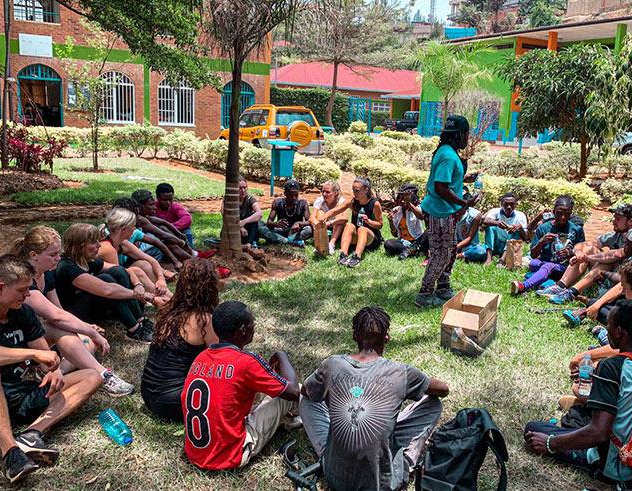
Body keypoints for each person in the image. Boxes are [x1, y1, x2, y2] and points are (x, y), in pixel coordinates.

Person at [0, 255, 102, 483]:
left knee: (91, 376)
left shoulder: (22, 313)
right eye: (22, 289)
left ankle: (31, 434)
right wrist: (31, 354)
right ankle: (11, 454)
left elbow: (45, 358)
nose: (28, 295)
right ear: (0, 288)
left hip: (16, 395)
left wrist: (54, 371)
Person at [524, 299, 632, 488]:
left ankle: (594, 458)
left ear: (619, 332)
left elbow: (598, 433)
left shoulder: (612, 367)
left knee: (535, 429)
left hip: (617, 464)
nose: (606, 330)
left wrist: (550, 443)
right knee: (583, 417)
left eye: (609, 326)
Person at [300, 307, 449, 491]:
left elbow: (307, 391)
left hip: (334, 476)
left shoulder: (331, 364)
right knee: (433, 404)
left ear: (355, 336)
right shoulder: (402, 372)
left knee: (306, 400)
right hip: (382, 485)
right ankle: (405, 461)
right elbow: (443, 390)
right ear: (387, 338)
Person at [11, 226, 134, 397]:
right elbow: (56, 316)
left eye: (58, 253)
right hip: (14, 339)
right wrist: (88, 329)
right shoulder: (24, 282)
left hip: (34, 334)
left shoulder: (47, 275)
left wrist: (86, 328)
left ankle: (52, 373)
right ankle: (103, 375)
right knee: (64, 330)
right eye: (53, 255)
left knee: (87, 341)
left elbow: (59, 310)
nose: (58, 258)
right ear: (34, 256)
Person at [182, 301, 300, 470]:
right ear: (244, 329)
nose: (254, 327)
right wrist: (282, 356)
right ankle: (320, 423)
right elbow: (293, 391)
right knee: (292, 393)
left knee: (253, 390)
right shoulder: (246, 362)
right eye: (253, 324)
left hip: (195, 453)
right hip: (231, 456)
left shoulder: (200, 358)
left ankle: (288, 420)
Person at [141, 259, 220, 422]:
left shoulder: (169, 310)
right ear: (209, 286)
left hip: (148, 393)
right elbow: (219, 364)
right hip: (173, 401)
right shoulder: (204, 320)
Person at [415, 115, 480, 308]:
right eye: (467, 134)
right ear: (459, 135)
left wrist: (463, 179)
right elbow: (441, 187)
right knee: (441, 253)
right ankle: (425, 293)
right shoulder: (449, 156)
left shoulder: (445, 151)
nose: (467, 138)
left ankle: (443, 287)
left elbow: (446, 180)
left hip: (443, 210)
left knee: (451, 250)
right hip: (439, 212)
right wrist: (464, 203)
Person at [55, 223, 155, 343]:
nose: (99, 245)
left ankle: (140, 320)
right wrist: (139, 294)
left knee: (118, 271)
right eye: (93, 242)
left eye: (98, 241)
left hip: (91, 307)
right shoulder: (66, 267)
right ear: (79, 246)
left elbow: (124, 270)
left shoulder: (86, 261)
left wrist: (138, 285)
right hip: (74, 314)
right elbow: (107, 290)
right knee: (105, 279)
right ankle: (134, 330)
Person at [539, 204, 632, 299]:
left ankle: (572, 293)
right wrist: (578, 252)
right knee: (587, 249)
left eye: (618, 219)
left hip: (624, 282)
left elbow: (618, 254)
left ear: (630, 221)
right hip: (609, 277)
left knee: (607, 261)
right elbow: (585, 244)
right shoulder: (616, 236)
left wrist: (587, 258)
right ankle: (560, 286)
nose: (613, 221)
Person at [543, 227, 632, 305]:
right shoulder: (630, 251)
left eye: (627, 244)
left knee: (606, 264)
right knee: (600, 258)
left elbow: (622, 282)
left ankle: (572, 292)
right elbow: (610, 254)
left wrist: (604, 273)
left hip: (621, 295)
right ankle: (564, 288)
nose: (625, 246)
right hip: (613, 286)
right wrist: (584, 256)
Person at [510, 195, 585, 295]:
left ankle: (524, 285)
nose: (563, 217)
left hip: (565, 267)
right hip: (545, 262)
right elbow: (533, 255)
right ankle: (547, 284)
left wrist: (570, 253)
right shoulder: (544, 228)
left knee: (548, 266)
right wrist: (541, 242)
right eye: (559, 213)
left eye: (567, 214)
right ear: (553, 212)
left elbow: (582, 252)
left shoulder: (576, 229)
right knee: (534, 263)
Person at [98, 208, 172, 307]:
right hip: (103, 288)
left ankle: (171, 299)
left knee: (144, 264)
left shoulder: (122, 243)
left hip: (116, 282)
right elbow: (120, 276)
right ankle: (168, 302)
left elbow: (151, 260)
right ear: (124, 229)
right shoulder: (107, 248)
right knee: (136, 270)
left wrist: (161, 278)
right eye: (133, 226)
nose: (135, 229)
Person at [322, 178, 384, 268]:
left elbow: (380, 224)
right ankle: (343, 255)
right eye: (353, 190)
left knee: (362, 229)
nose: (354, 193)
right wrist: (325, 217)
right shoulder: (352, 202)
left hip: (372, 239)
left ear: (366, 190)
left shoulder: (375, 204)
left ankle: (357, 257)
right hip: (357, 237)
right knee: (349, 226)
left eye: (357, 191)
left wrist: (368, 221)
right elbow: (335, 211)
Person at [112, 197, 186, 273]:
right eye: (136, 215)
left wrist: (172, 265)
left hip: (125, 263)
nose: (139, 218)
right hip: (116, 269)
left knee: (149, 257)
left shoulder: (134, 231)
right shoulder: (109, 237)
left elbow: (156, 241)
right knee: (142, 264)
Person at [259, 179, 312, 247]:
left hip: (295, 232)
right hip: (280, 231)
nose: (294, 198)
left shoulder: (303, 203)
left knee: (309, 229)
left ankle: (280, 241)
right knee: (261, 229)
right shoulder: (277, 203)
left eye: (296, 195)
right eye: (291, 195)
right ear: (285, 194)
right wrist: (276, 224)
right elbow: (269, 222)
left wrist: (299, 223)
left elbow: (310, 221)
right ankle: (290, 242)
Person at [482, 192, 528, 266]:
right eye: (506, 204)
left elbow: (525, 237)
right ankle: (489, 258)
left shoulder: (521, 215)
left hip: (509, 247)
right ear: (501, 204)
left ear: (515, 205)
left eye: (512, 204)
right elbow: (486, 221)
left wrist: (520, 227)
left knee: (515, 231)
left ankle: (502, 260)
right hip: (496, 243)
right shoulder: (495, 211)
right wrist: (497, 223)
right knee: (490, 226)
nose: (509, 207)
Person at [384, 184, 425, 257]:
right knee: (388, 243)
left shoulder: (417, 208)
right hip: (404, 242)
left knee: (427, 233)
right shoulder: (396, 211)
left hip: (417, 240)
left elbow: (421, 216)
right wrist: (391, 222)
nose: (402, 201)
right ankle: (412, 251)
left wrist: (409, 203)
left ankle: (412, 250)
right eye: (401, 198)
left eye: (405, 198)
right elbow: (395, 234)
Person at [220, 176, 263, 246]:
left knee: (253, 216)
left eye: (244, 187)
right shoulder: (228, 198)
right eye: (240, 188)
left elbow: (259, 214)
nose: (243, 191)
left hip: (247, 232)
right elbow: (224, 215)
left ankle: (249, 244)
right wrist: (240, 227)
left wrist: (243, 222)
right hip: (232, 230)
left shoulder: (250, 198)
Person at [310, 180, 349, 255]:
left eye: (327, 192)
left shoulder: (342, 201)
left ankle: (331, 244)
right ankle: (320, 243)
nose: (324, 194)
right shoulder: (320, 200)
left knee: (339, 217)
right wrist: (318, 226)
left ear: (335, 193)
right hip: (323, 229)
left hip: (337, 229)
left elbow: (345, 218)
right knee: (320, 213)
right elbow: (312, 218)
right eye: (323, 191)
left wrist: (328, 223)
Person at [155, 182, 195, 248]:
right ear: (158, 198)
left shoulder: (175, 206)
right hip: (157, 234)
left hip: (174, 232)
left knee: (186, 229)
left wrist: (171, 227)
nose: (168, 202)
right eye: (164, 200)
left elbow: (187, 219)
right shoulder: (152, 207)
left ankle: (189, 248)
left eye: (170, 199)